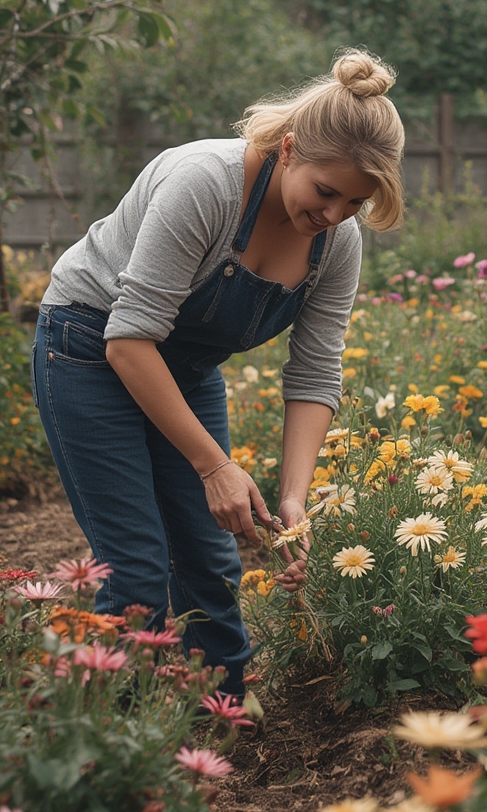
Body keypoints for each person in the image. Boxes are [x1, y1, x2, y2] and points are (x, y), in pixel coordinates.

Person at [32, 49, 405, 698]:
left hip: (184, 363)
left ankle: (219, 724)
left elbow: (316, 371)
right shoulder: (205, 184)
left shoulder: (337, 244)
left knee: (210, 560)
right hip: (91, 345)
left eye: (356, 201)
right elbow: (129, 340)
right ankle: (103, 734)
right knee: (138, 568)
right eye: (325, 192)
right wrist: (214, 466)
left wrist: (293, 497)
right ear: (289, 150)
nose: (335, 214)